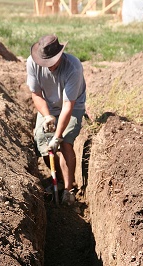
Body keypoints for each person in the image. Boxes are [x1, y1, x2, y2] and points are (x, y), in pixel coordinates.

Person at [26, 34, 86, 206]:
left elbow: (68, 106)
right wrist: (47, 116)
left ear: (60, 55)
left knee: (66, 142)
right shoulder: (32, 63)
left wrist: (57, 137)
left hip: (73, 107)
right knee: (42, 141)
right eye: (45, 63)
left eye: (51, 62)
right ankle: (59, 180)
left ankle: (69, 190)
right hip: (49, 108)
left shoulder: (73, 68)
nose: (48, 67)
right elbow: (36, 94)